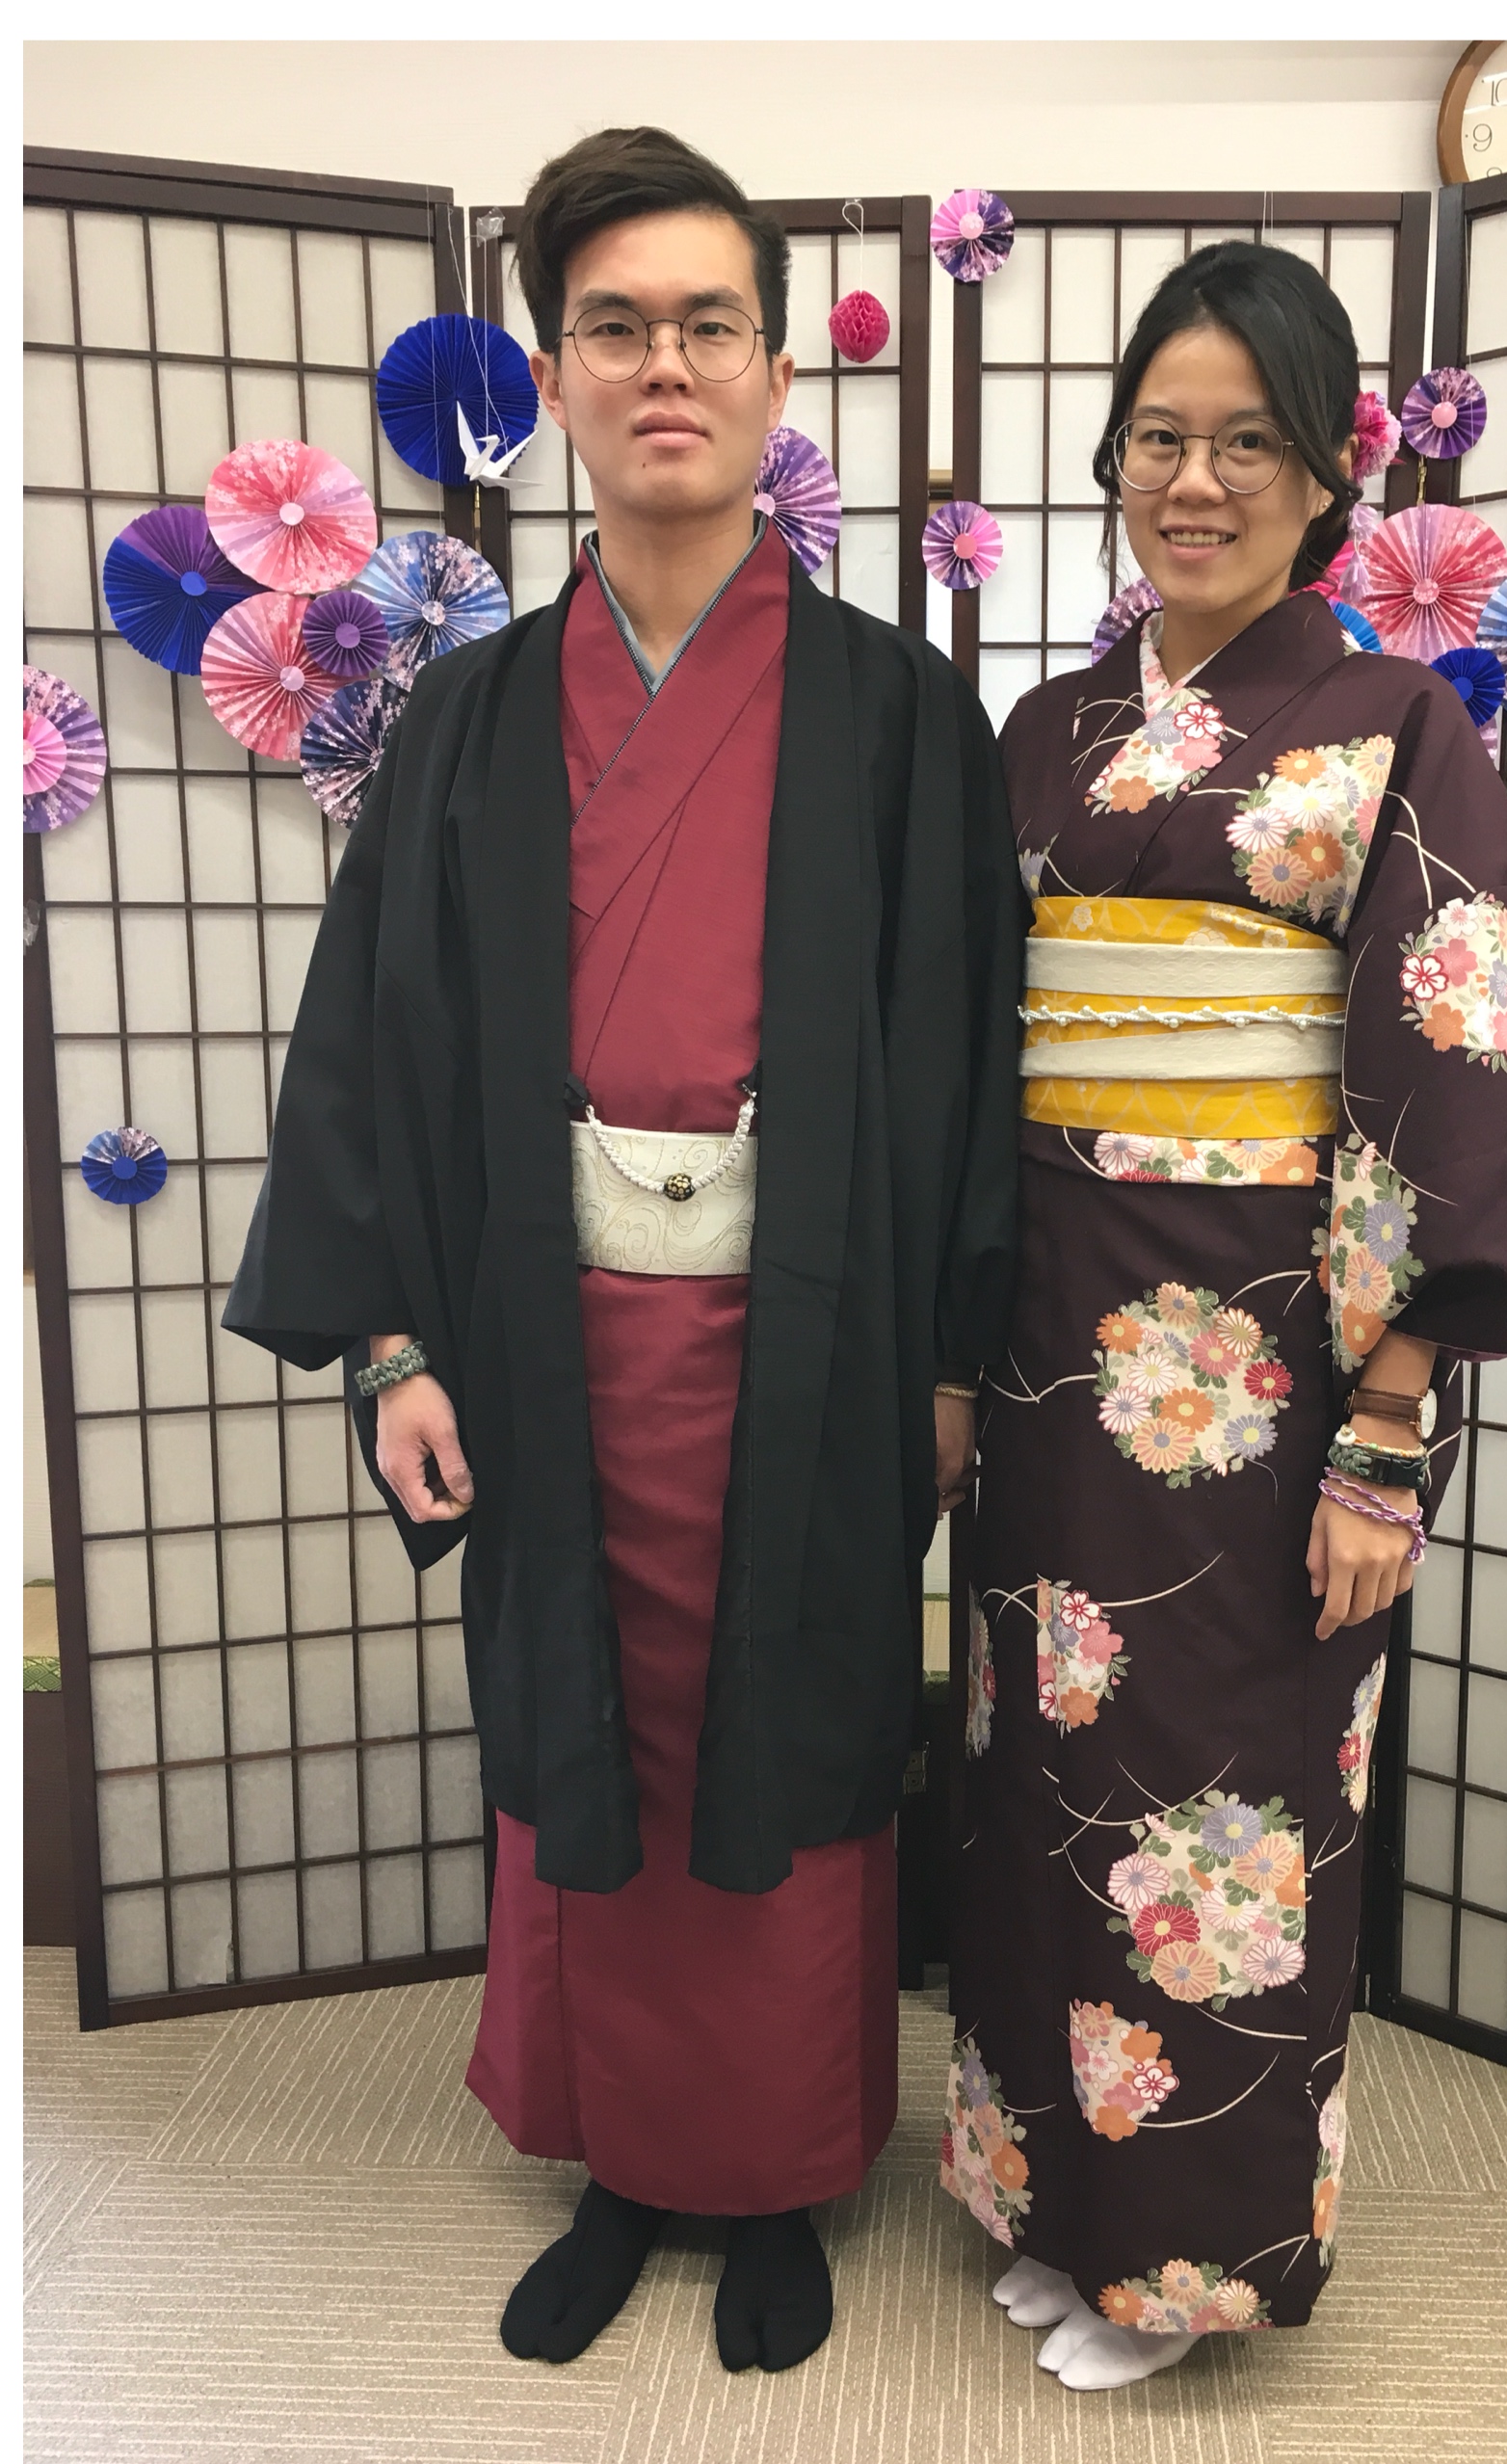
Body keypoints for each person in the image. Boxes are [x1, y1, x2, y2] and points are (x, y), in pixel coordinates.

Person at [225, 125, 1020, 2378]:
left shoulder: (896, 712)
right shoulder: (467, 717)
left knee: (786, 1729)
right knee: (592, 1736)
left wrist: (948, 1364)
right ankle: (620, 2158)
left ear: (774, 371)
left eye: (706, 324)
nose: (663, 365)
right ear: (553, 378)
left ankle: (771, 2169)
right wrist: (390, 1345)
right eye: (613, 326)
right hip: (538, 1333)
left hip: (815, 1340)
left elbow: (964, 1058)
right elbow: (372, 1046)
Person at [941, 241, 1507, 2391]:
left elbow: (1458, 1066)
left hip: (1261, 1367)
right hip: (1052, 1347)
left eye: (1247, 441)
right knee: (1045, 1776)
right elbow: (964, 1056)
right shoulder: (1044, 734)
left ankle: (1189, 2259)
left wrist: (1388, 1422)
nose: (1195, 481)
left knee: (1220, 1806)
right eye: (1159, 437)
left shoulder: (1396, 721)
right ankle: (1056, 2200)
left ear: (1328, 476)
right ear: (1111, 458)